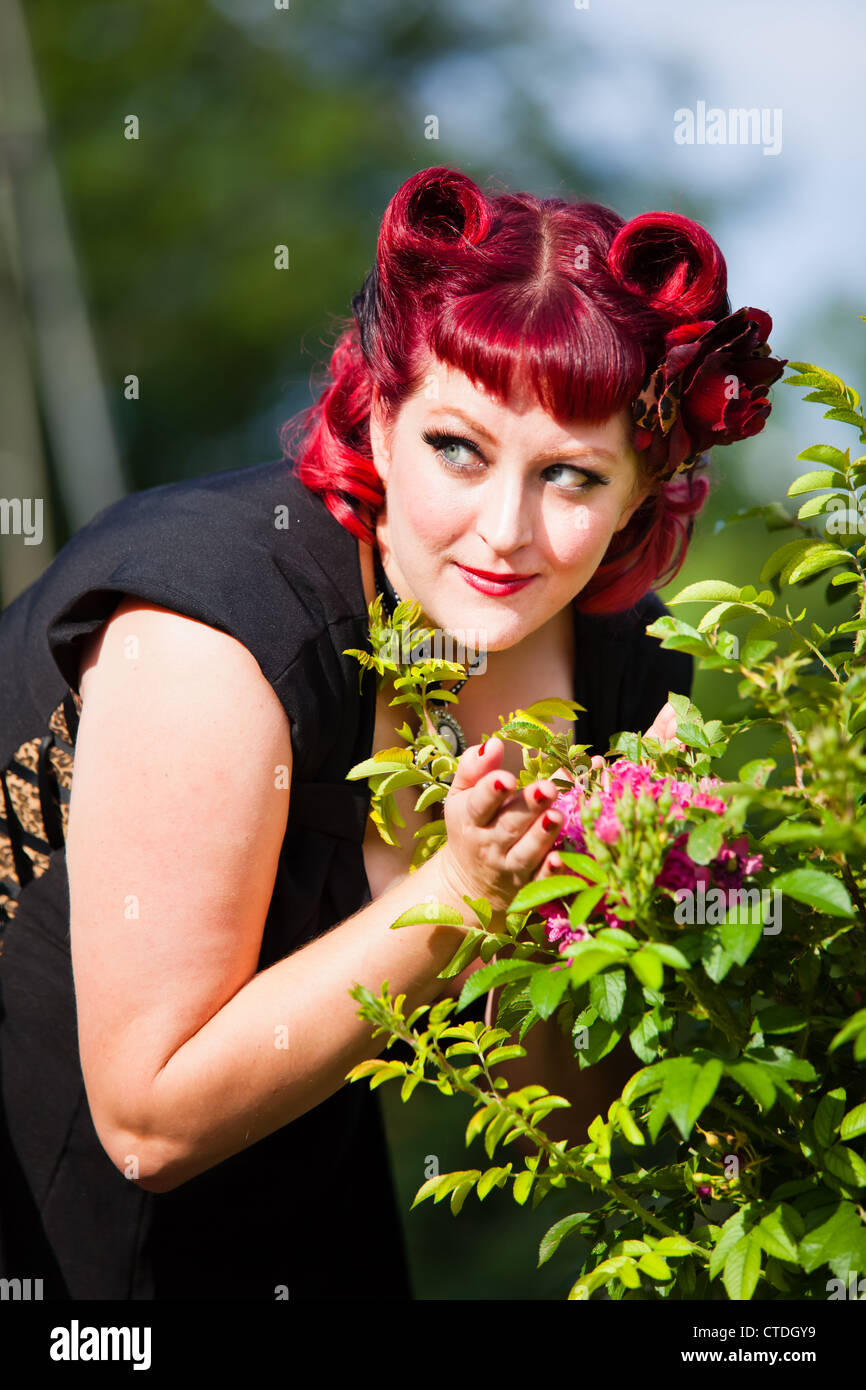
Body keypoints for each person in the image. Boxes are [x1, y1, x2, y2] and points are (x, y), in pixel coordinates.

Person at [0, 165, 783, 1301]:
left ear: (644, 489)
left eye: (569, 474)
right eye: (457, 449)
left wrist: (577, 902)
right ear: (374, 411)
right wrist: (460, 891)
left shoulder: (632, 678)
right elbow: (146, 1120)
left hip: (291, 1173)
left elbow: (558, 1121)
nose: (503, 532)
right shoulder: (214, 629)